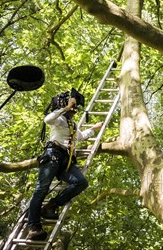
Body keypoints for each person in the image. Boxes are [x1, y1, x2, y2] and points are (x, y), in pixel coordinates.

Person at [26, 95, 103, 240]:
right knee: (42, 188)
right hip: (53, 155)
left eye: (74, 110)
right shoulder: (58, 119)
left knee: (81, 182)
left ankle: (52, 205)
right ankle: (33, 227)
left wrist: (93, 129)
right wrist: (65, 108)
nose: (74, 112)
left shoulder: (71, 124)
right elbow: (47, 119)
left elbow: (79, 136)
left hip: (65, 160)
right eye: (73, 109)